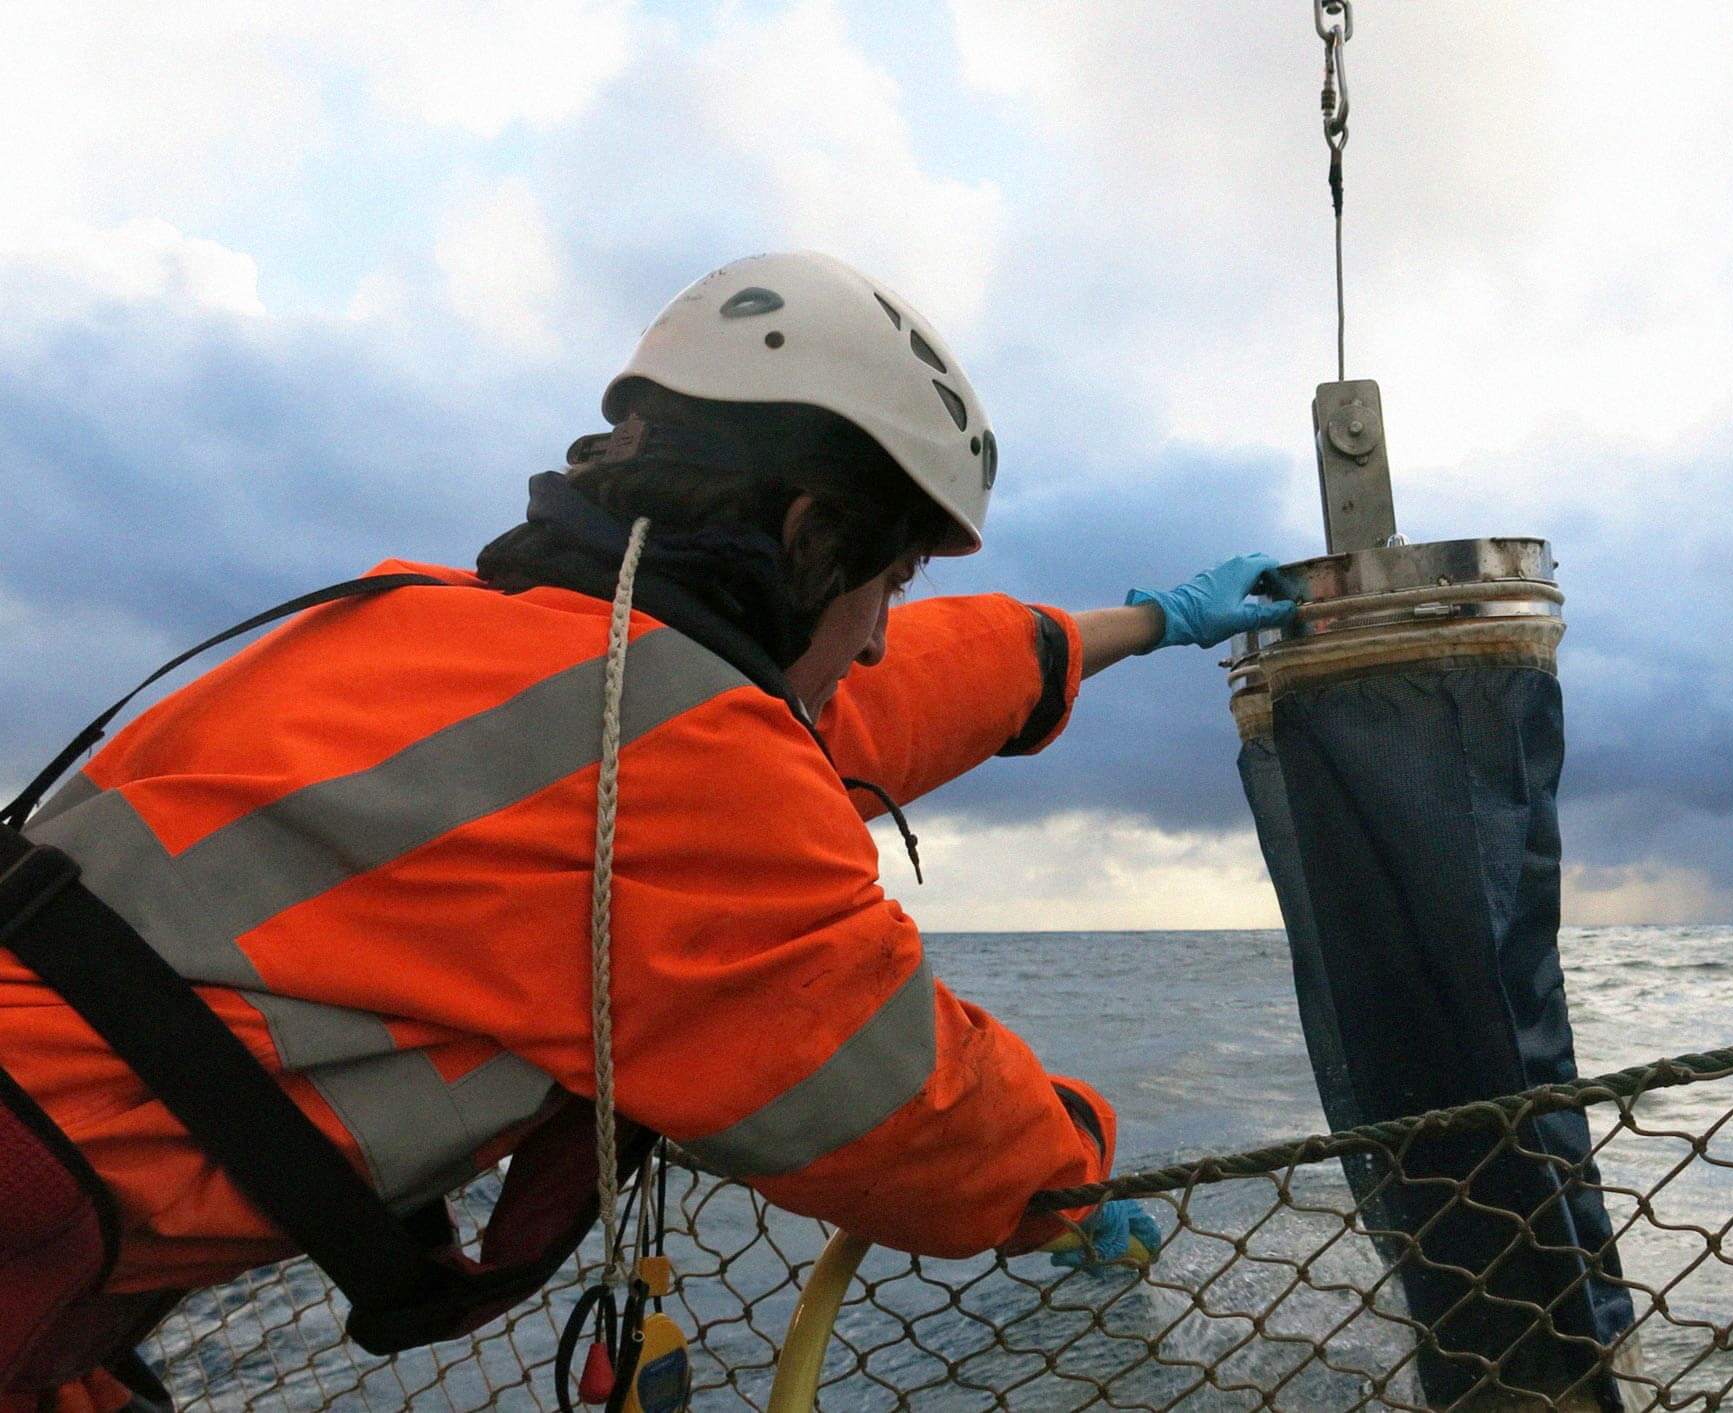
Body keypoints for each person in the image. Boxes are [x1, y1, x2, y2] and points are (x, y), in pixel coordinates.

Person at [0, 252, 1295, 1411]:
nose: (888, 629)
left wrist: (1145, 621)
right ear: (809, 534)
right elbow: (902, 1108)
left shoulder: (465, 643)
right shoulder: (678, 763)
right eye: (890, 581)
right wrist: (1068, 1163)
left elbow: (894, 690)